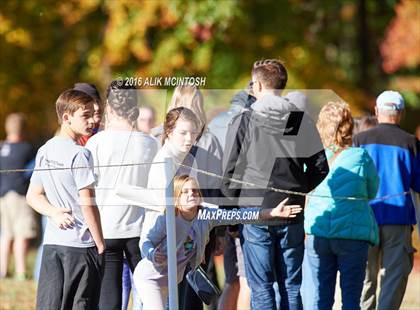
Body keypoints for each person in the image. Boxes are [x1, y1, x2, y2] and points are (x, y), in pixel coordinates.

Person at [222, 59, 329, 309]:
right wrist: (296, 190)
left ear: (257, 85)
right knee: (291, 287)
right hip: (291, 212)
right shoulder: (299, 121)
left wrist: (231, 218)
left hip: (255, 212)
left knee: (261, 288)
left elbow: (228, 175)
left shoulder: (244, 120)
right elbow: (320, 167)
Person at [118, 174, 302, 310]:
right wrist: (152, 253)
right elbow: (147, 241)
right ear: (176, 197)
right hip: (150, 277)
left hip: (174, 279)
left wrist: (270, 213)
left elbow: (238, 215)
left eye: (195, 191)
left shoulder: (206, 215)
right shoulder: (167, 219)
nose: (191, 194)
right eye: (185, 192)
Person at [26, 89, 105, 309]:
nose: (91, 121)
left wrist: (53, 212)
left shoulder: (44, 150)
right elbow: (87, 203)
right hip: (80, 245)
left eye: (93, 115)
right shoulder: (80, 153)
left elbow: (33, 196)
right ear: (66, 117)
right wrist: (100, 243)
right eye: (85, 115)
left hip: (53, 245)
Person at [85, 81, 158, 309]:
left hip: (106, 226)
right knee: (148, 290)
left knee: (110, 292)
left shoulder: (95, 142)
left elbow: (88, 186)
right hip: (140, 226)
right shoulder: (150, 143)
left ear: (108, 106)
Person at [303, 101, 379, 309]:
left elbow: (304, 189)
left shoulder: (313, 157)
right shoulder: (361, 157)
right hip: (353, 234)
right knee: (351, 298)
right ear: (349, 126)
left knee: (321, 298)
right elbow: (372, 192)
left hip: (319, 233)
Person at [354, 91, 420, 310]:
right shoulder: (411, 143)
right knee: (394, 277)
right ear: (400, 113)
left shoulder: (359, 140)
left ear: (376, 112)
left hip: (364, 219)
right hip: (398, 220)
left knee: (365, 278)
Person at [208, 86, 256, 310]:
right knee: (247, 279)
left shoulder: (216, 123)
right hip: (242, 208)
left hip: (218, 208)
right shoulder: (248, 124)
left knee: (231, 278)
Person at [0, 113, 37, 280]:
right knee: (21, 235)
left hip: (3, 196)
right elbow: (32, 171)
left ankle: (3, 270)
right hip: (20, 195)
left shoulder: (1, 147)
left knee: (6, 234)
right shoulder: (26, 148)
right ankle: (21, 272)